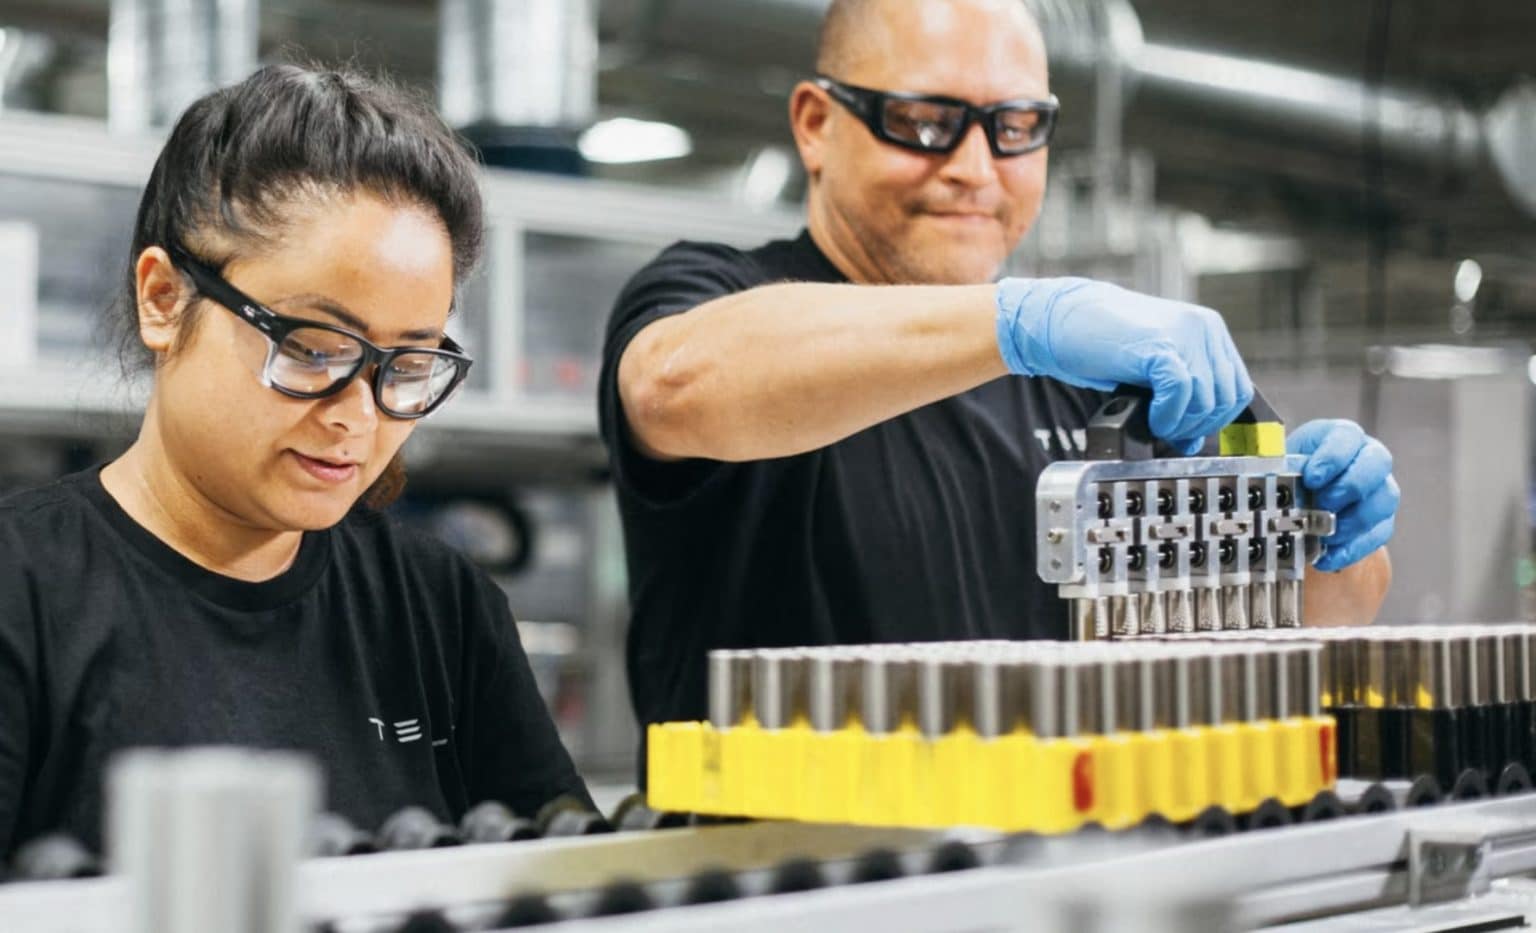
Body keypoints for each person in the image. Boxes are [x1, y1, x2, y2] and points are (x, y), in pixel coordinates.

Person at [599, 0, 1399, 741]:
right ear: (816, 124)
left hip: (1053, 839)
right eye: (925, 121)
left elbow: (1303, 617)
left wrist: (1318, 526)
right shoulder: (720, 294)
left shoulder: (1096, 375)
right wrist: (1021, 320)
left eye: (1015, 126)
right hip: (791, 845)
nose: (976, 168)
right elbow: (673, 387)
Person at [0, 64, 591, 858]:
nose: (358, 415)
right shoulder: (23, 592)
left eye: (409, 365)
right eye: (313, 348)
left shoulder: (440, 608)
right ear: (164, 299)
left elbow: (568, 882)